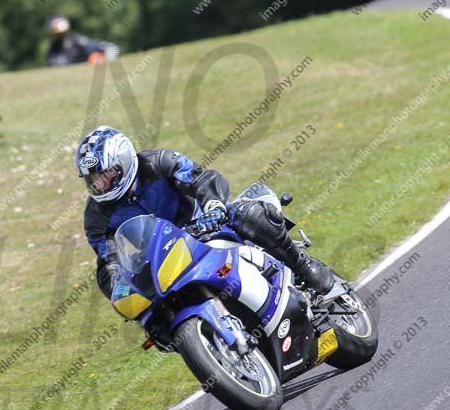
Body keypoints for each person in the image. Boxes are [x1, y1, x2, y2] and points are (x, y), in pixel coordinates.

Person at [77, 125, 334, 300]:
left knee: (250, 215)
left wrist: (213, 205)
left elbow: (200, 179)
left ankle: (303, 266)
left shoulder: (157, 163)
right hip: (163, 259)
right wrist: (117, 287)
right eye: (93, 179)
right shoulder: (96, 216)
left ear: (122, 162)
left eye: (105, 174)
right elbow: (108, 260)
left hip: (206, 224)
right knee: (152, 314)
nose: (99, 184)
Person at [46, 16, 119, 66]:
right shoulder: (54, 47)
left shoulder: (76, 40)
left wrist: (106, 48)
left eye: (61, 33)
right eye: (57, 34)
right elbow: (52, 63)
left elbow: (93, 46)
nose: (60, 36)